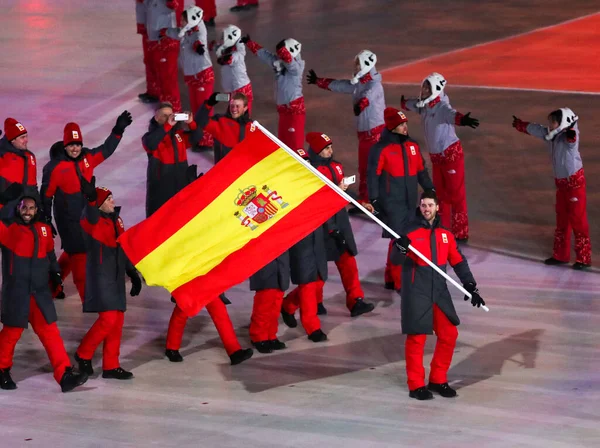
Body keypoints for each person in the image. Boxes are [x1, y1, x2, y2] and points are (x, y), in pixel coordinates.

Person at [391, 190, 486, 400]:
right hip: (417, 291)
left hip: (439, 291)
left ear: (437, 208)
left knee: (449, 334)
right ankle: (416, 385)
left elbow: (459, 261)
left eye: (430, 206)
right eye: (423, 205)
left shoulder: (446, 235)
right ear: (420, 207)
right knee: (417, 338)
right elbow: (395, 260)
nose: (426, 209)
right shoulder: (409, 232)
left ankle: (438, 379)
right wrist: (400, 248)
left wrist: (471, 285)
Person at [0, 188, 88, 392]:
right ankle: (2, 369)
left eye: (31, 208)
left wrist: (56, 272)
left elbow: (49, 253)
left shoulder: (44, 229)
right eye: (24, 208)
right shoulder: (8, 230)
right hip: (17, 293)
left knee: (50, 333)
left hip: (39, 293)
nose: (28, 212)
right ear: (18, 209)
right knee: (11, 333)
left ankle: (64, 374)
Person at [41, 112, 132, 302]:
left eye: (77, 144)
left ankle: (52, 286)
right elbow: (46, 196)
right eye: (71, 145)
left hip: (86, 215)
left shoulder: (88, 158)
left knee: (74, 252)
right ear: (65, 145)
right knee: (79, 255)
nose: (75, 148)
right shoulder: (55, 168)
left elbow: (106, 149)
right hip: (68, 220)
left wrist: (118, 130)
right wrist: (47, 220)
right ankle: (87, 298)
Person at [74, 178, 142, 380]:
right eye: (109, 199)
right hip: (100, 277)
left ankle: (111, 365)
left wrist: (132, 272)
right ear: (100, 203)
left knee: (118, 320)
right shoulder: (91, 221)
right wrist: (90, 200)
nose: (113, 202)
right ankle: (83, 353)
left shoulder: (116, 220)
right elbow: (90, 216)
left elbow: (123, 247)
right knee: (108, 319)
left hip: (116, 276)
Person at [401, 73, 480, 241]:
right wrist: (404, 103)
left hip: (451, 156)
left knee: (456, 195)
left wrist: (462, 120)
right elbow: (413, 104)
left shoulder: (442, 107)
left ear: (436, 89)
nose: (423, 90)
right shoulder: (425, 105)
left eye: (427, 87)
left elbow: (452, 115)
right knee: (440, 195)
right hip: (437, 159)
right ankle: (441, 229)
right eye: (423, 86)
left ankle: (460, 233)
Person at [305, 132, 375, 317]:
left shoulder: (337, 167)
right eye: (326, 148)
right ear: (318, 151)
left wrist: (360, 203)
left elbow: (344, 192)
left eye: (330, 147)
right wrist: (336, 190)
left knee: (348, 262)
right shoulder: (309, 171)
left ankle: (356, 300)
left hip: (340, 222)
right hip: (321, 225)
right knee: (319, 269)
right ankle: (315, 302)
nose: (331, 151)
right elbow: (316, 199)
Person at [512, 108, 591, 269]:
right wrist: (520, 125)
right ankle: (561, 255)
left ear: (562, 122)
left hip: (574, 183)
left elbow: (572, 139)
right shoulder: (552, 135)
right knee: (562, 219)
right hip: (562, 184)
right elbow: (535, 129)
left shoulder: (569, 137)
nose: (550, 125)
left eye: (553, 122)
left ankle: (584, 258)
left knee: (578, 220)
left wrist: (570, 130)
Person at [367, 107, 434, 291]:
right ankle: (399, 282)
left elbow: (421, 170)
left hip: (409, 202)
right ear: (391, 127)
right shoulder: (381, 149)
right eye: (401, 125)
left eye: (405, 123)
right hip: (391, 203)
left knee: (398, 239)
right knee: (401, 240)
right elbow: (373, 176)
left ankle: (390, 276)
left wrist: (430, 188)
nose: (405, 127)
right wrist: (374, 200)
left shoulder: (412, 146)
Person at [306, 50, 386, 202]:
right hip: (365, 135)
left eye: (357, 65)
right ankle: (365, 201)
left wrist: (360, 106)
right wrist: (319, 81)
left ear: (365, 66)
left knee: (374, 169)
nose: (355, 68)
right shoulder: (360, 83)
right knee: (364, 168)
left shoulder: (374, 85)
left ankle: (376, 202)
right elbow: (340, 85)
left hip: (375, 135)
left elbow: (368, 96)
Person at [162, 5, 214, 151]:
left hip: (202, 76)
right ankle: (198, 136)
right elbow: (178, 32)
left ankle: (208, 140)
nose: (181, 23)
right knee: (196, 109)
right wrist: (165, 31)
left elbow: (199, 42)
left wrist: (199, 47)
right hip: (192, 76)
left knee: (204, 110)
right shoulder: (187, 30)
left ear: (191, 20)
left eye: (183, 20)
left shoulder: (198, 31)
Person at [242, 35, 305, 153]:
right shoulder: (279, 62)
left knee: (295, 143)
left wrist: (282, 50)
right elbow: (265, 55)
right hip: (283, 109)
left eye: (282, 53)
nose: (279, 56)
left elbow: (290, 63)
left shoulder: (297, 66)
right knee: (283, 141)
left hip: (294, 110)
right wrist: (250, 43)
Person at [142, 102, 201, 218]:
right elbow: (151, 144)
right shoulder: (149, 137)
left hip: (180, 186)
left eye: (170, 115)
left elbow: (197, 137)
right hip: (161, 190)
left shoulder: (179, 135)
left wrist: (191, 123)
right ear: (156, 117)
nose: (168, 118)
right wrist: (167, 125)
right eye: (164, 115)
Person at [165, 297, 254, 365]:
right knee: (181, 313)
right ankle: (172, 348)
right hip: (191, 283)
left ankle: (234, 352)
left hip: (208, 284)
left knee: (220, 313)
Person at [281, 227, 329, 343]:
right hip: (300, 241)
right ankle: (313, 328)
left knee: (319, 280)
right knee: (307, 286)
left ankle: (287, 305)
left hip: (318, 239)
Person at [194, 92, 253, 163]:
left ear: (245, 108)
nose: (234, 109)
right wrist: (209, 104)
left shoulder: (252, 126)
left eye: (237, 106)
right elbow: (200, 120)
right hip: (222, 171)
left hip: (243, 171)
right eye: (232, 106)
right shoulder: (220, 121)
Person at [146, 0, 184, 111]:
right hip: (156, 41)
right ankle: (166, 109)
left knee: (168, 80)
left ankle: (175, 111)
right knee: (161, 78)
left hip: (165, 42)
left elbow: (174, 4)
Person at [248, 253, 289, 353]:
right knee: (264, 302)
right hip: (264, 259)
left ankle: (271, 334)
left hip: (281, 260)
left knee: (276, 303)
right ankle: (258, 336)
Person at [213, 25, 253, 114]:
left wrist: (222, 56)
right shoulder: (229, 50)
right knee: (232, 117)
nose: (221, 39)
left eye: (223, 37)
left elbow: (229, 59)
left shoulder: (236, 54)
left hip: (241, 90)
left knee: (240, 118)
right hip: (234, 90)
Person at [0, 118, 39, 202]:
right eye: (22, 137)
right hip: (5, 209)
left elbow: (33, 185)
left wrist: (38, 205)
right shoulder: (2, 155)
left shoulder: (30, 156)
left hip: (26, 211)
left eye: (26, 136)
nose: (26, 140)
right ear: (12, 140)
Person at [135, 0, 160, 103]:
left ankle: (158, 92)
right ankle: (152, 91)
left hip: (155, 28)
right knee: (149, 59)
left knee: (155, 60)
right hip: (147, 26)